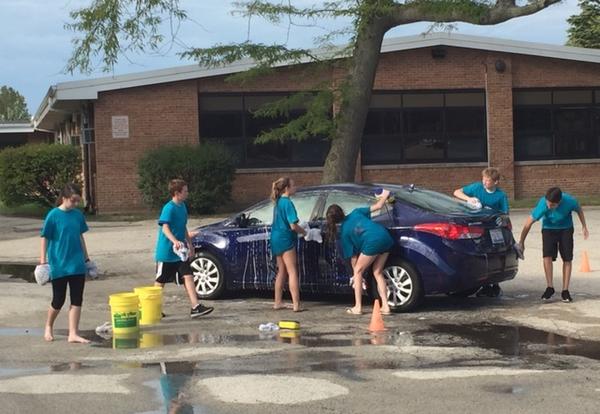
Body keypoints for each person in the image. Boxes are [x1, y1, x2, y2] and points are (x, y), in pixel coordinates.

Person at [325, 189, 394, 315]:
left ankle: (358, 307)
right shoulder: (356, 212)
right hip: (386, 237)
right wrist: (385, 195)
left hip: (373, 242)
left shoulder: (344, 233)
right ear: (342, 211)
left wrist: (356, 275)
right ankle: (385, 306)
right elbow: (378, 206)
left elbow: (353, 258)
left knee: (358, 271)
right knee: (377, 271)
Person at [517, 187, 589, 302]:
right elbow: (528, 224)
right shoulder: (543, 204)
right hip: (548, 229)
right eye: (548, 203)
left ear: (559, 202)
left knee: (567, 258)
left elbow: (579, 209)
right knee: (547, 256)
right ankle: (550, 287)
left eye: (552, 205)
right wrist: (522, 242)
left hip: (566, 229)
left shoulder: (570, 201)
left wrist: (584, 226)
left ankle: (565, 290)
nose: (549, 206)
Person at [154, 179, 213, 318]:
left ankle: (195, 307)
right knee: (161, 281)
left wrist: (190, 244)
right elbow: (165, 228)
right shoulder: (169, 208)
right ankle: (152, 308)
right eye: (185, 191)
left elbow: (182, 227)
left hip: (180, 252)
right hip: (167, 251)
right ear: (177, 193)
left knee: (188, 275)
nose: (187, 193)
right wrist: (175, 241)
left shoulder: (182, 206)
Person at [40, 184, 91, 343]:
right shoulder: (53, 215)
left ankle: (73, 333)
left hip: (76, 263)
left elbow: (80, 237)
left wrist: (87, 258)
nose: (75, 204)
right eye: (73, 200)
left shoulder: (77, 215)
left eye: (78, 201)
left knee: (77, 298)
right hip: (59, 263)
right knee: (58, 300)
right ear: (64, 198)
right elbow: (45, 238)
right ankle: (48, 326)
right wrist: (43, 262)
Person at [453, 167, 510, 297]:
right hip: (477, 227)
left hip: (493, 229)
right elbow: (456, 192)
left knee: (495, 254)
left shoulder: (501, 196)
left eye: (488, 181)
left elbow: (505, 214)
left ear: (495, 182)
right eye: (483, 179)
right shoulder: (476, 188)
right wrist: (468, 199)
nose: (484, 183)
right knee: (480, 253)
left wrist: (501, 219)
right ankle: (483, 284)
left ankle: (495, 284)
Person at [270, 177, 306, 312]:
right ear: (286, 189)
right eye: (293, 185)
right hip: (286, 239)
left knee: (281, 271)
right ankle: (296, 304)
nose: (295, 187)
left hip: (275, 238)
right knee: (292, 271)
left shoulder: (278, 202)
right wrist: (305, 232)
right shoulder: (288, 203)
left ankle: (277, 302)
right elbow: (293, 225)